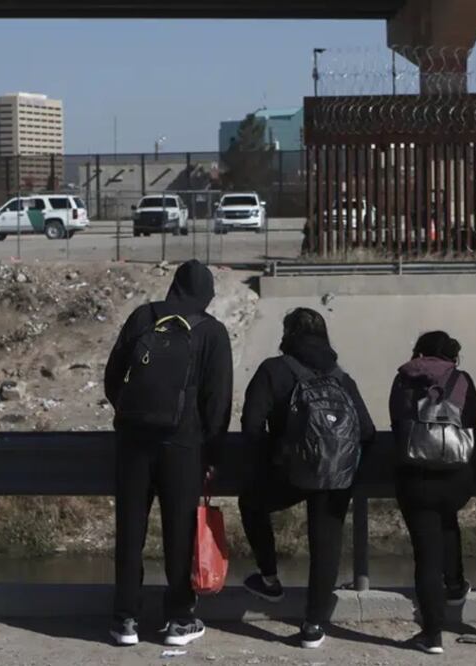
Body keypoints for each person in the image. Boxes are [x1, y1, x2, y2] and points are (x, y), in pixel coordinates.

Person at [104, 260, 233, 648]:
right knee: (180, 532)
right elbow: (219, 402)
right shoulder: (211, 332)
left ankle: (125, 618)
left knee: (130, 530)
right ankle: (179, 619)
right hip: (183, 446)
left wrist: (131, 416)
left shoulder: (143, 317)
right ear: (207, 294)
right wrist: (211, 449)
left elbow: (113, 378)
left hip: (133, 443)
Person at [239, 307, 375, 650]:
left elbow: (251, 425)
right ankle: (313, 625)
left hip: (290, 473)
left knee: (251, 503)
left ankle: (269, 579)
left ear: (288, 334)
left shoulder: (274, 370)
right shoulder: (342, 377)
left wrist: (277, 454)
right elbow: (368, 430)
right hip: (338, 475)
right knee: (326, 544)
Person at [389, 332, 476, 655]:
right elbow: (472, 420)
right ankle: (455, 585)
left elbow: (397, 422)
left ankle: (432, 635)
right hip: (456, 476)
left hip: (416, 477)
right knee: (448, 520)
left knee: (425, 555)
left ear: (419, 352)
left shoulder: (403, 378)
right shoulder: (461, 379)